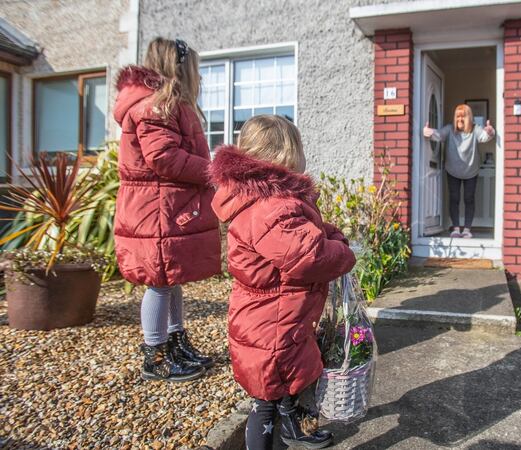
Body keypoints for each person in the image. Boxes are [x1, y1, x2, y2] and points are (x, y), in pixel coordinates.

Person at [210, 115, 356, 449]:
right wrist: (343, 253)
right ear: (285, 155)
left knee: (285, 384)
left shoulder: (269, 201)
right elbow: (310, 256)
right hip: (271, 324)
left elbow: (309, 233)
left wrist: (331, 234)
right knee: (266, 400)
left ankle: (292, 429)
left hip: (278, 317)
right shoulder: (272, 207)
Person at [113, 37, 221, 382]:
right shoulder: (155, 105)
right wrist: (211, 171)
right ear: (180, 67)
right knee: (159, 281)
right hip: (155, 209)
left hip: (164, 206)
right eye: (195, 68)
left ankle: (176, 342)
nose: (198, 76)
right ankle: (155, 356)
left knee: (170, 277)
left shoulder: (162, 104)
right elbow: (163, 157)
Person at [423, 104, 495, 238]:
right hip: (452, 170)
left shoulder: (475, 129)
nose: (460, 119)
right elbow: (438, 135)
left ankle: (467, 229)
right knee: (454, 198)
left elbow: (485, 136)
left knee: (469, 199)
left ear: (469, 118)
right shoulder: (450, 129)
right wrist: (429, 132)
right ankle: (456, 228)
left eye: (463, 116)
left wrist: (490, 131)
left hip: (471, 171)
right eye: (458, 116)